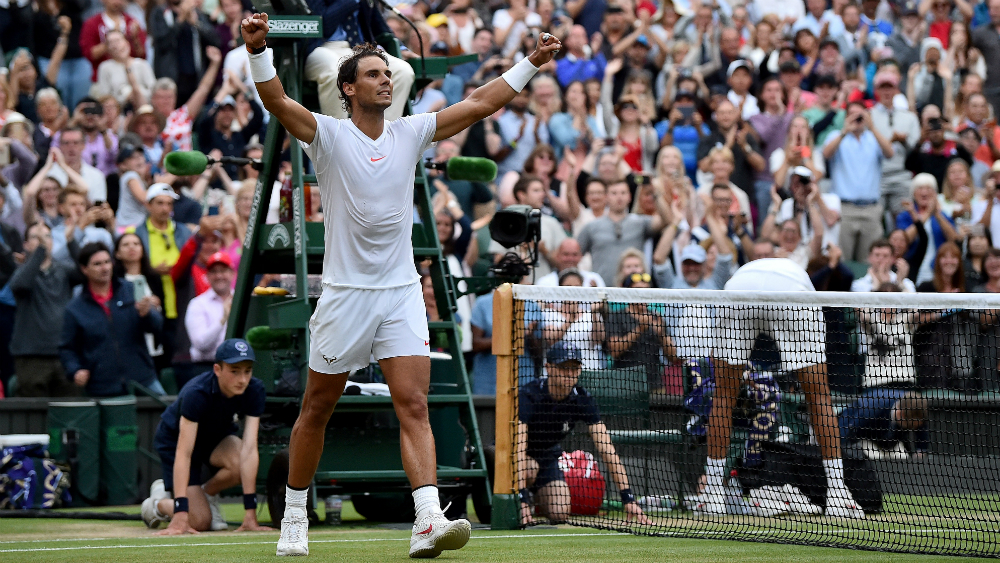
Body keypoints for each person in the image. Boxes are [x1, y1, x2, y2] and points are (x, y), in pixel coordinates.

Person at [240, 13, 562, 557]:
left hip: (400, 292)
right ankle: (294, 517)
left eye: (388, 73)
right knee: (316, 409)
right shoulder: (329, 133)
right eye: (373, 74)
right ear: (348, 88)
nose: (386, 79)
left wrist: (529, 62)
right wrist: (257, 50)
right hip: (344, 295)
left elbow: (481, 103)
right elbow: (276, 102)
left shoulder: (411, 132)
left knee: (413, 404)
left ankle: (428, 518)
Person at [703, 257, 865, 518]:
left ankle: (712, 494)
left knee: (723, 395)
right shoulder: (802, 279)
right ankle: (837, 494)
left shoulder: (751, 272)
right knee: (819, 397)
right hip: (789, 294)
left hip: (740, 290)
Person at [142, 338, 271, 534]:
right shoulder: (196, 393)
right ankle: (157, 505)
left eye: (247, 371)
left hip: (215, 438)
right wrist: (180, 513)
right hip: (176, 442)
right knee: (199, 522)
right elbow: (184, 453)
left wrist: (250, 514)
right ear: (217, 370)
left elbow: (249, 449)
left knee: (239, 459)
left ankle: (205, 495)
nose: (243, 379)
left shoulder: (254, 390)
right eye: (234, 371)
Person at [516, 342, 650, 525]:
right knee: (529, 467)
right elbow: (518, 449)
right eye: (564, 368)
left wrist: (628, 498)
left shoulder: (582, 399)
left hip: (547, 457)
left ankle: (533, 500)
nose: (570, 374)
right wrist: (521, 500)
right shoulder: (528, 395)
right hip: (512, 457)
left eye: (575, 368)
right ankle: (520, 498)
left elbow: (607, 450)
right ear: (548, 368)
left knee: (560, 513)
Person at [59, 242, 165, 397]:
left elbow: (157, 327)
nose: (105, 268)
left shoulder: (130, 290)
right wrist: (75, 370)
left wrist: (147, 314)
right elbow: (67, 348)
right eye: (97, 264)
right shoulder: (75, 308)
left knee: (168, 416)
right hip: (102, 387)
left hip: (143, 380)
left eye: (107, 262)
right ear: (84, 269)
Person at [8, 222, 79, 397]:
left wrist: (71, 242)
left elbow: (88, 271)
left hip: (64, 355)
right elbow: (19, 285)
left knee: (69, 416)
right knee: (33, 418)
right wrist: (39, 251)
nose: (43, 241)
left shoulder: (63, 271)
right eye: (35, 237)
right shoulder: (22, 272)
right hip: (32, 357)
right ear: (25, 245)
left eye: (47, 236)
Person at [822, 101, 895, 262]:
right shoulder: (836, 136)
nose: (856, 118)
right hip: (844, 208)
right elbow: (826, 154)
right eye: (852, 114)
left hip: (870, 208)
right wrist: (844, 131)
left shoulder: (873, 137)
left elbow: (890, 153)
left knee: (869, 262)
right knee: (842, 259)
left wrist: (872, 127)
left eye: (860, 114)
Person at [577, 180, 669, 290]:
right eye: (614, 193)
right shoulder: (591, 227)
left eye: (623, 193)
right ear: (606, 197)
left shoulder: (640, 222)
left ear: (630, 197)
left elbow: (666, 220)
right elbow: (575, 254)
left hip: (633, 293)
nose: (619, 197)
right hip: (602, 293)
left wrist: (655, 193)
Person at [897, 173, 961, 286]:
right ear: (913, 193)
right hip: (913, 266)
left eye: (929, 189)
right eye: (920, 188)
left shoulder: (943, 216)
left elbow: (954, 239)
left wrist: (937, 215)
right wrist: (926, 213)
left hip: (937, 267)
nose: (924, 192)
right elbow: (904, 240)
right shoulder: (905, 216)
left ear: (935, 193)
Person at [184, 252, 235, 380]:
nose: (219, 276)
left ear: (232, 273)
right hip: (206, 368)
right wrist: (222, 320)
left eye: (223, 270)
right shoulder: (197, 304)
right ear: (207, 276)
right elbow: (200, 344)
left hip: (237, 366)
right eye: (214, 271)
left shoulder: (241, 300)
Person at [838, 389, 929, 460]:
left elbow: (921, 426)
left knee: (904, 462)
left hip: (891, 444)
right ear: (900, 414)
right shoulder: (871, 410)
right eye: (911, 426)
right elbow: (849, 430)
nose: (914, 429)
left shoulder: (914, 406)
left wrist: (921, 450)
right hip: (866, 441)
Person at [852, 239, 918, 292]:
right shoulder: (858, 285)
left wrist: (899, 283)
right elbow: (864, 308)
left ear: (892, 259)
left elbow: (913, 307)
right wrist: (877, 285)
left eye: (885, 256)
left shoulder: (906, 283)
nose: (881, 259)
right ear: (870, 257)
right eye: (877, 255)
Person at [536, 238, 606, 287]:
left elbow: (603, 305)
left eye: (574, 255)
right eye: (566, 254)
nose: (570, 259)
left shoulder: (595, 279)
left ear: (581, 256)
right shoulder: (544, 283)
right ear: (557, 256)